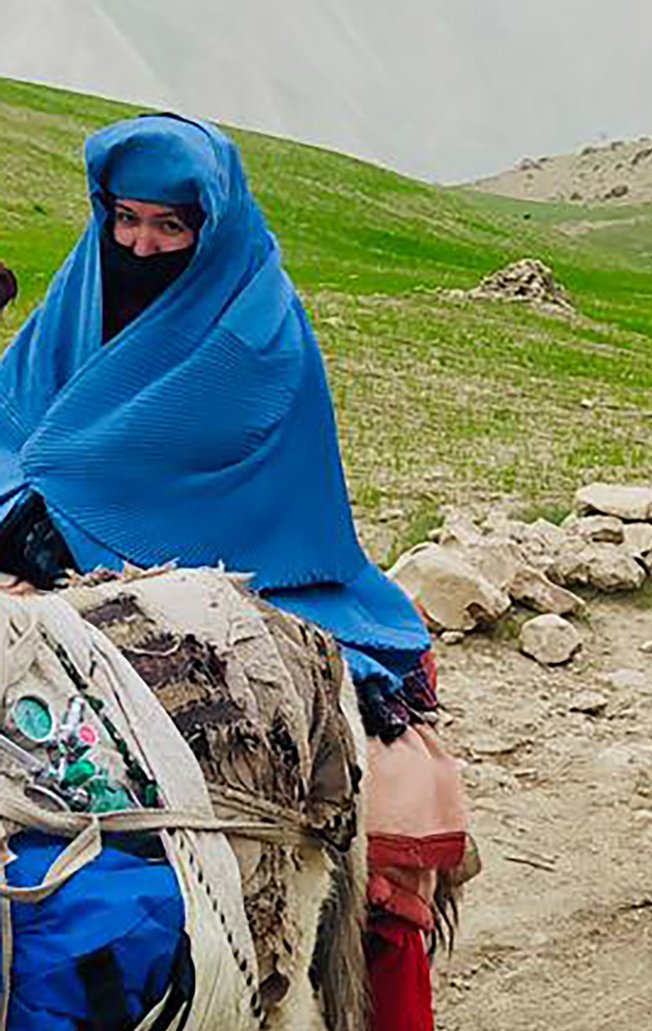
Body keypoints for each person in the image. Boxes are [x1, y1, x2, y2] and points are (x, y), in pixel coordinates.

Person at [0, 113, 460, 1029]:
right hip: (37, 558)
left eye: (170, 226)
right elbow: (20, 424)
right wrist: (20, 508)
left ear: (209, 225)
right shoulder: (77, 293)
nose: (141, 243)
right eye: (127, 219)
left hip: (252, 561)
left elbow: (227, 477)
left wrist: (62, 509)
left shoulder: (258, 325)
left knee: (377, 786)